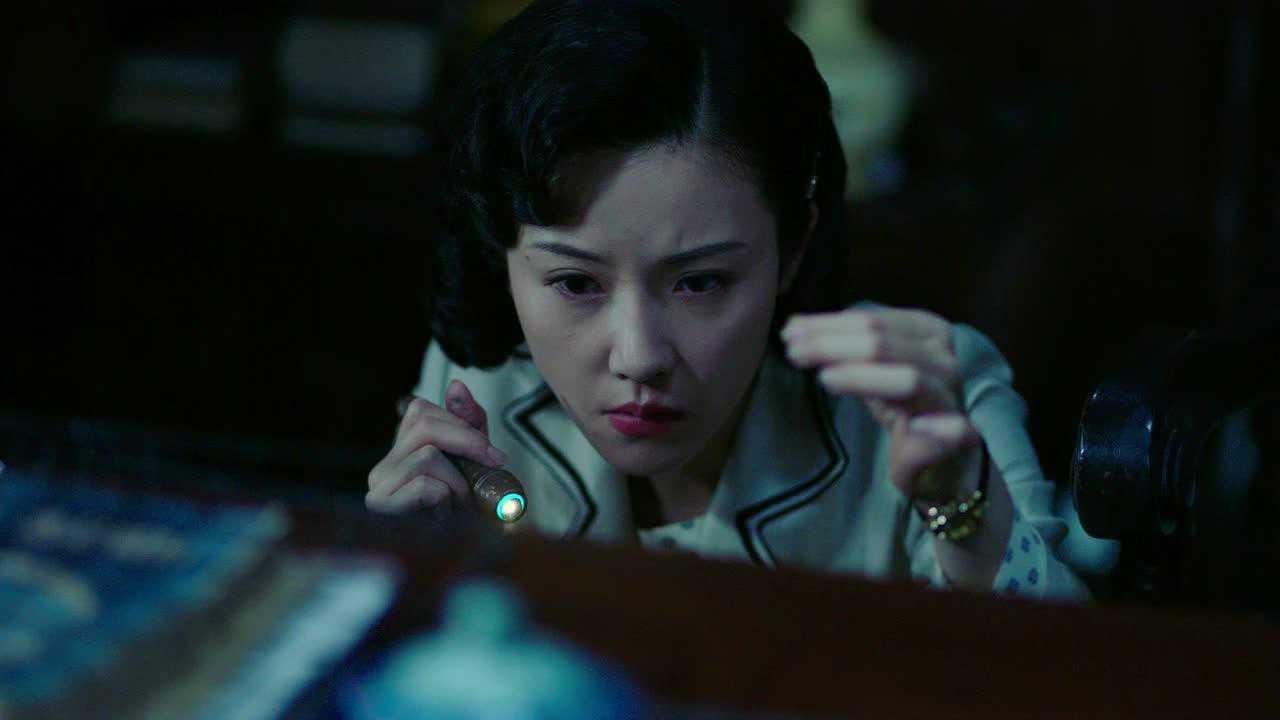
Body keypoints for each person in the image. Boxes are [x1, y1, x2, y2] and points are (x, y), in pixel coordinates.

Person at [367, 0, 1087, 601]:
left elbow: (1073, 672)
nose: (639, 356)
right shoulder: (481, 387)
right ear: (502, 255)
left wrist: (963, 511)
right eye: (576, 283)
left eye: (701, 281)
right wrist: (404, 565)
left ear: (793, 248)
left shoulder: (928, 395)